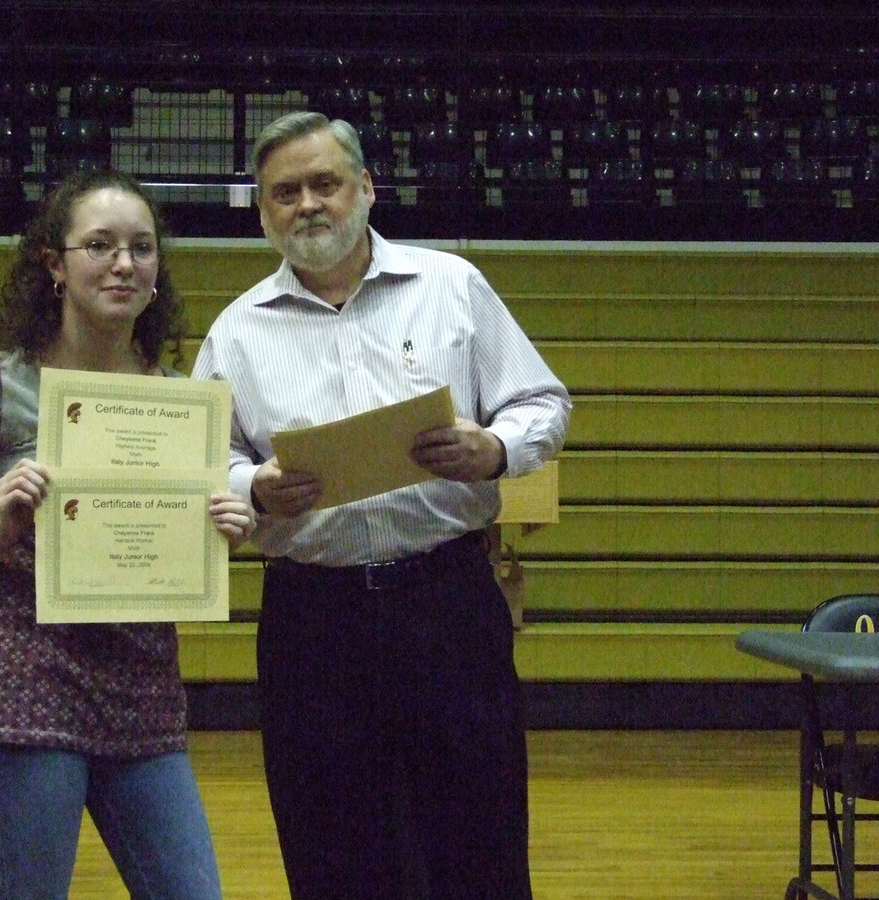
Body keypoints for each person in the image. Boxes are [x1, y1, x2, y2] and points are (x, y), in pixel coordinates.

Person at [192, 111, 572, 900]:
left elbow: (541, 401)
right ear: (263, 213)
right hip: (311, 620)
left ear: (365, 189)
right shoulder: (235, 332)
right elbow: (203, 463)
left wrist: (493, 449)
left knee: (480, 837)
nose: (307, 205)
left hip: (447, 601)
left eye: (325, 183)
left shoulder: (451, 286)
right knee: (331, 847)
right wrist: (248, 487)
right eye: (284, 193)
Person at [0, 169, 255, 900]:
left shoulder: (183, 402)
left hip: (142, 693)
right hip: (20, 690)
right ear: (54, 265)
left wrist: (225, 533)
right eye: (100, 246)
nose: (125, 264)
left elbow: (186, 543)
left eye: (141, 247)